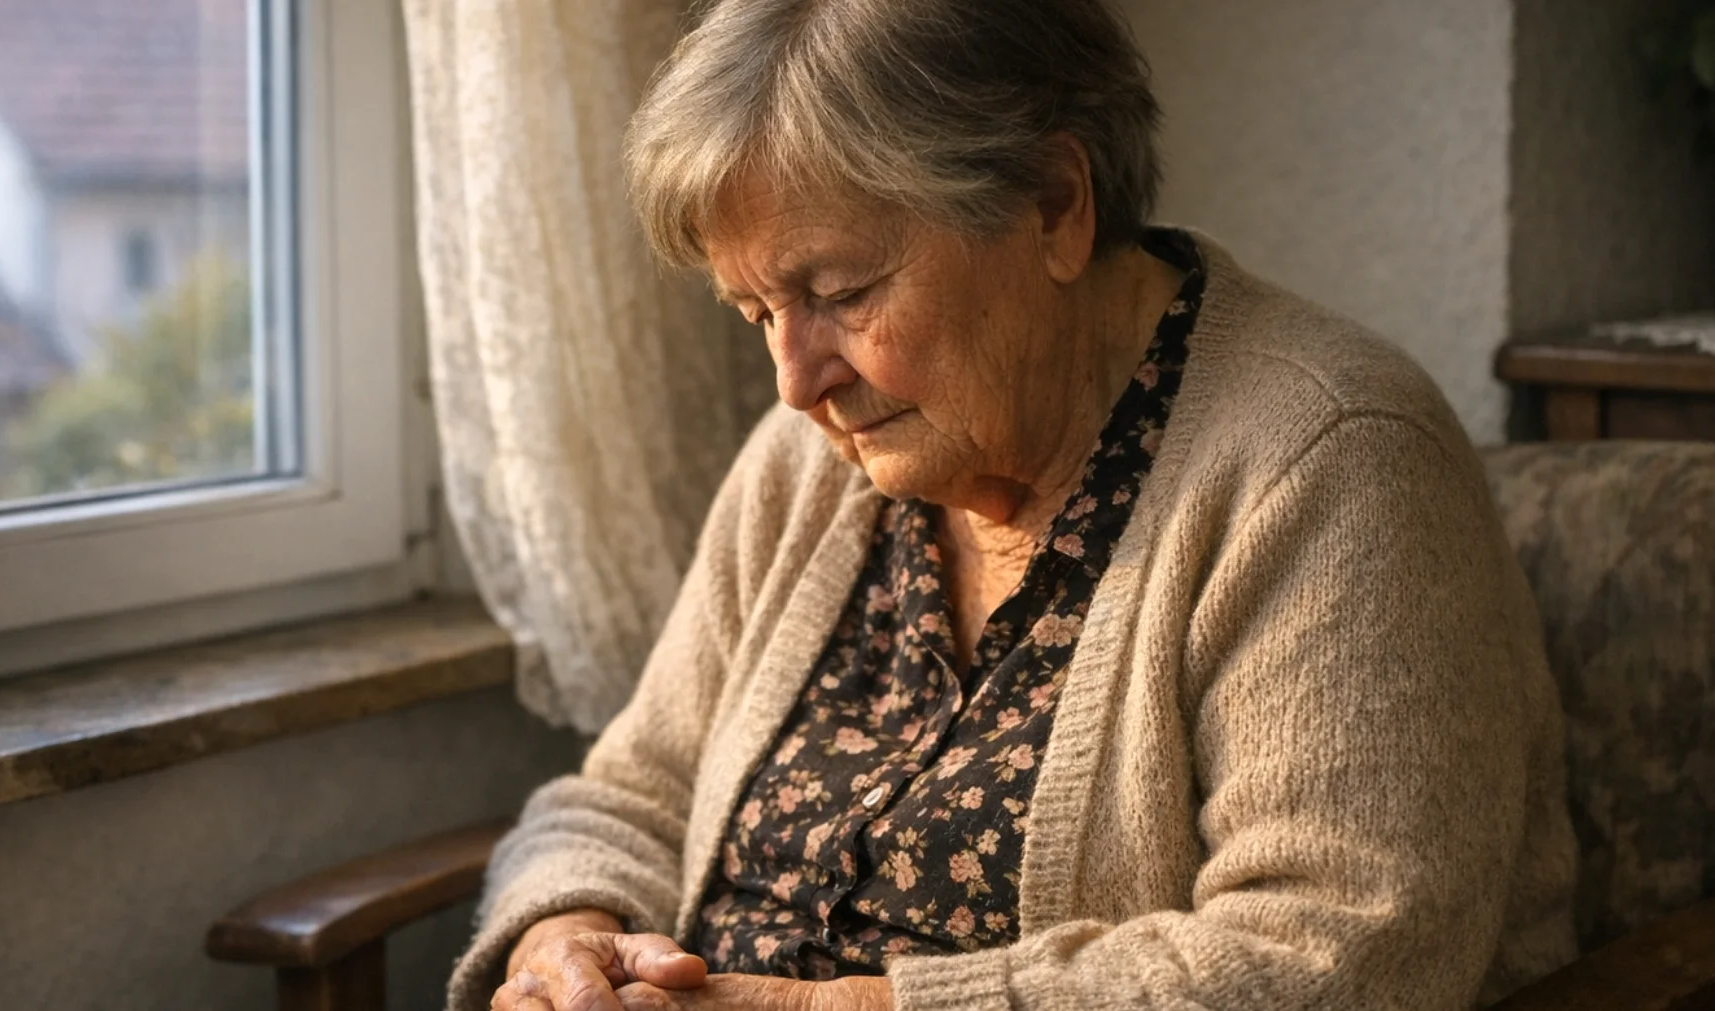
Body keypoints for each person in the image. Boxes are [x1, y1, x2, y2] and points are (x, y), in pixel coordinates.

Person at [458, 1, 1579, 1008]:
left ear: (1053, 205)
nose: (795, 382)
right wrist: (570, 936)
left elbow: (1340, 958)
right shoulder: (807, 463)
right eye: (755, 312)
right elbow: (635, 791)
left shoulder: (1331, 460)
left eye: (841, 294)